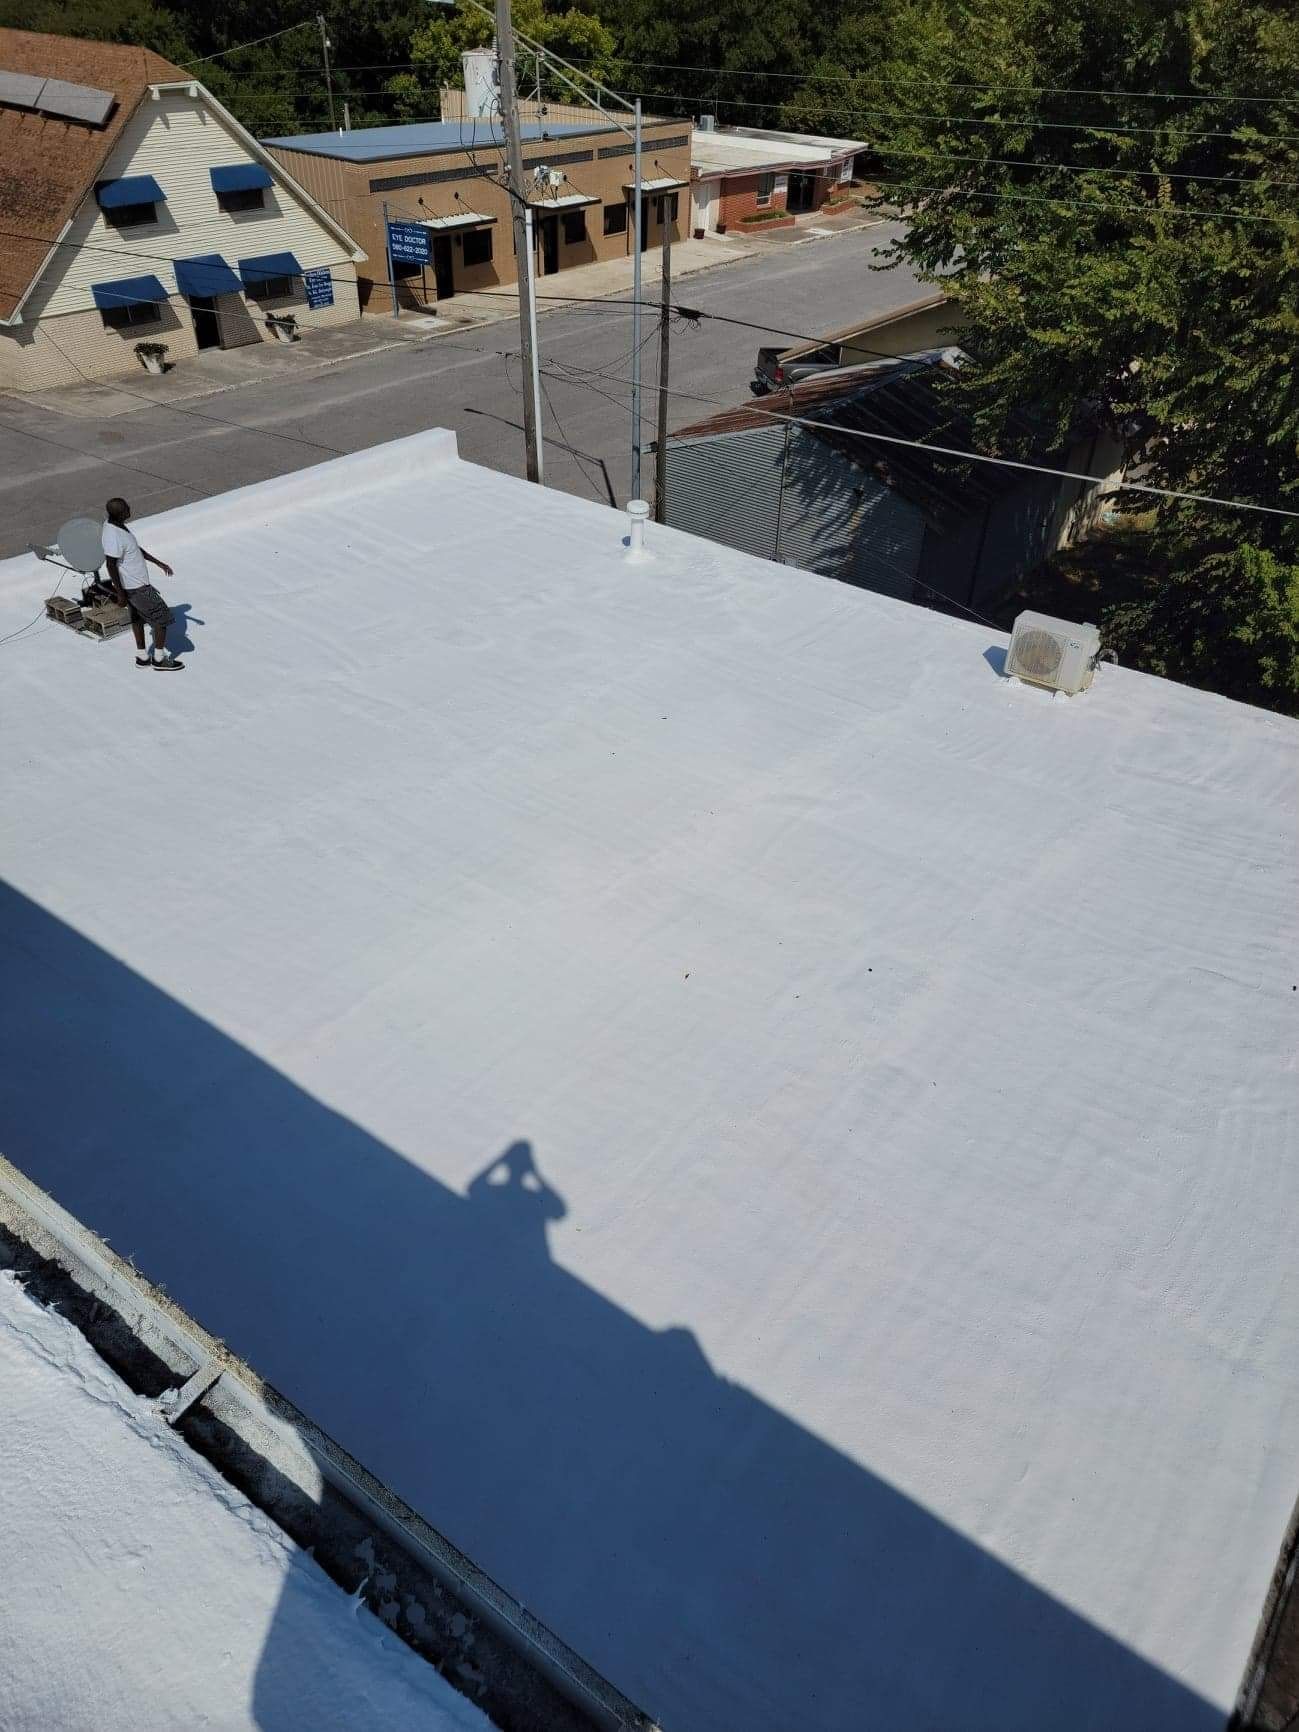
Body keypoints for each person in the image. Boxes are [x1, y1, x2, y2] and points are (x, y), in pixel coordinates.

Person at [101, 497, 182, 671]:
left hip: (134, 587)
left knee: (137, 618)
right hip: (137, 588)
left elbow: (134, 548)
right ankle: (159, 660)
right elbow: (110, 564)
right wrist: (120, 593)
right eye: (125, 509)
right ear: (118, 513)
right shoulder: (113, 535)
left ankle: (142, 656)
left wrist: (158, 562)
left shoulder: (116, 525)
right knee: (163, 618)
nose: (129, 509)